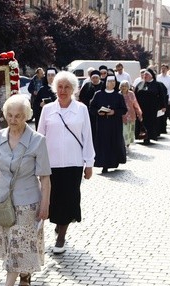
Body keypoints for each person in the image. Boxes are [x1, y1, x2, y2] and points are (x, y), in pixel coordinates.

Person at [0, 94, 51, 286]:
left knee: (17, 245)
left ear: (27, 116)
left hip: (27, 200)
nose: (13, 120)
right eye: (10, 115)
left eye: (18, 116)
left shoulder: (38, 141)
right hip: (4, 200)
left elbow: (45, 178)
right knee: (11, 243)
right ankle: (24, 273)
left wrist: (45, 205)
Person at [37, 71, 95, 254]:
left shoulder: (81, 109)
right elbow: (39, 137)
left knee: (69, 199)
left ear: (73, 89)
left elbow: (87, 137)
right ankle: (58, 224)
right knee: (52, 199)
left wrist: (89, 163)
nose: (63, 90)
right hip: (51, 164)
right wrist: (37, 162)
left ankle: (61, 235)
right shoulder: (47, 109)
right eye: (60, 87)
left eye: (67, 87)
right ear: (55, 88)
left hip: (74, 163)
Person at [89, 75, 128, 173]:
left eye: (114, 81)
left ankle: (113, 162)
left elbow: (124, 109)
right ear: (105, 83)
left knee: (113, 143)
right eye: (110, 81)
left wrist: (114, 112)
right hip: (102, 124)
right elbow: (92, 107)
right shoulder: (98, 94)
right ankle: (104, 164)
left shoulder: (118, 96)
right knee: (103, 143)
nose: (112, 83)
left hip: (115, 125)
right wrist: (98, 112)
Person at [134, 69, 167, 144]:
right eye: (144, 75)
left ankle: (148, 137)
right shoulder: (140, 84)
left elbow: (162, 96)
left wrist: (163, 106)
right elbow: (135, 95)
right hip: (141, 107)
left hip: (152, 108)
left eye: (147, 75)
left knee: (150, 123)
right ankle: (141, 136)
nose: (145, 76)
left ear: (151, 76)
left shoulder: (157, 85)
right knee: (141, 122)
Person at [119, 80, 143, 148]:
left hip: (131, 115)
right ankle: (123, 144)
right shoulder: (118, 94)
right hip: (122, 116)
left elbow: (135, 104)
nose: (124, 87)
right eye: (122, 86)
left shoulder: (131, 94)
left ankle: (128, 144)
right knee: (124, 131)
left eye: (125, 86)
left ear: (128, 87)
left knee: (130, 131)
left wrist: (139, 113)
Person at [156, 64, 170, 135]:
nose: (163, 70)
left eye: (164, 69)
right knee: (158, 113)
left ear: (167, 69)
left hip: (165, 97)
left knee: (164, 113)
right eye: (162, 68)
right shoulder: (157, 77)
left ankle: (163, 128)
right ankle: (158, 128)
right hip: (158, 97)